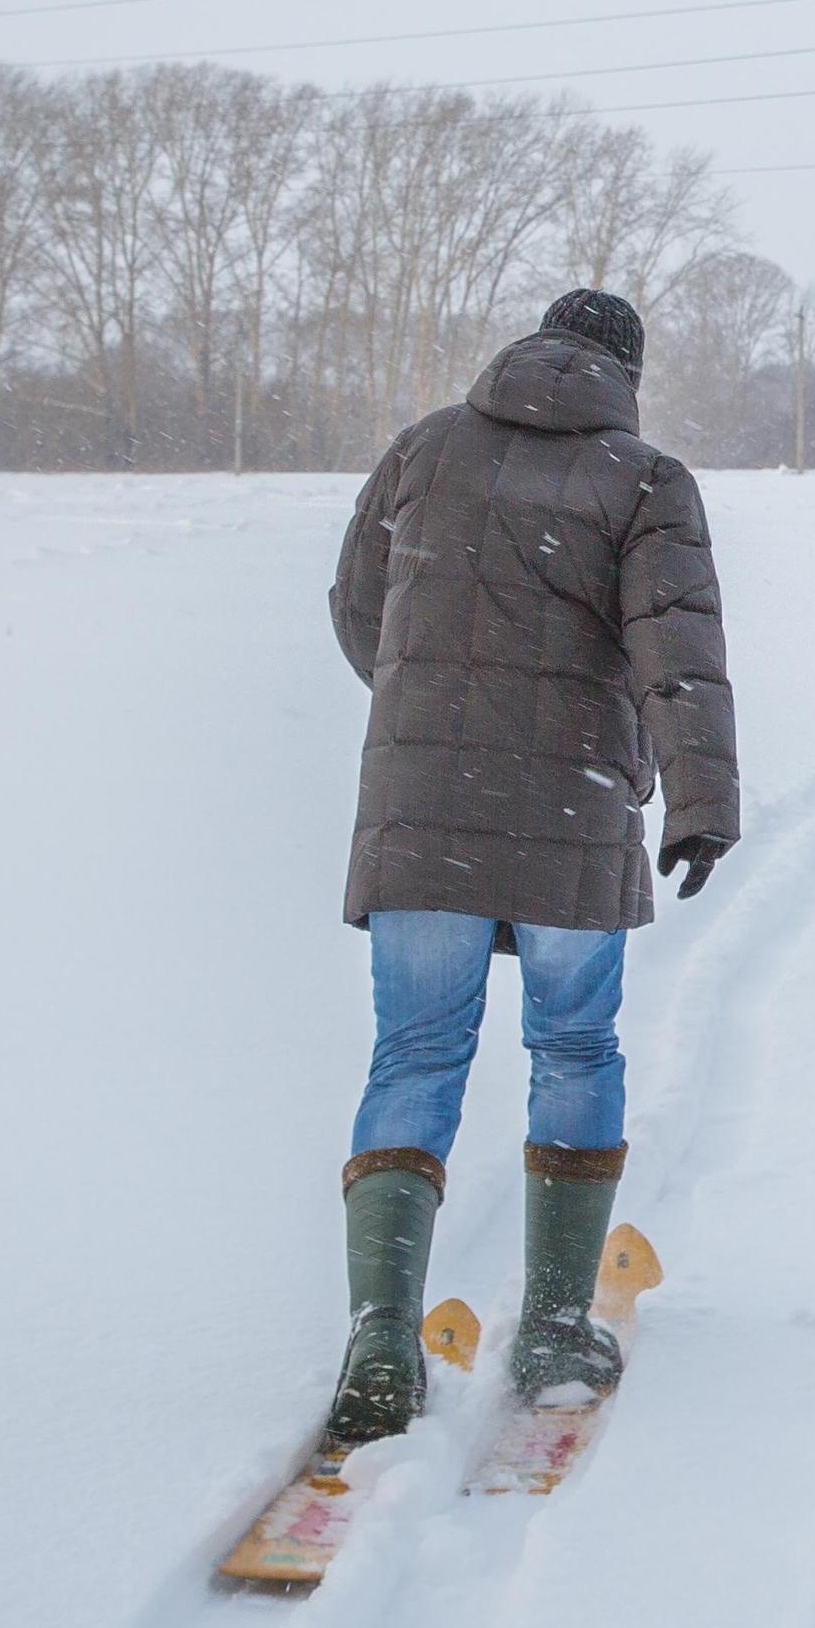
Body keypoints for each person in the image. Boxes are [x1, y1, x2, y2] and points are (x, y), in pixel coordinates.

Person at [317, 286, 739, 1443]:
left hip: (421, 813)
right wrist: (698, 799)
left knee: (412, 1054)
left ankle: (380, 1337)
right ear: (625, 374)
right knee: (572, 1044)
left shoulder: (423, 450)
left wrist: (440, 722)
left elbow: (363, 611)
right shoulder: (645, 481)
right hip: (572, 803)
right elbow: (679, 658)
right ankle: (556, 1324)